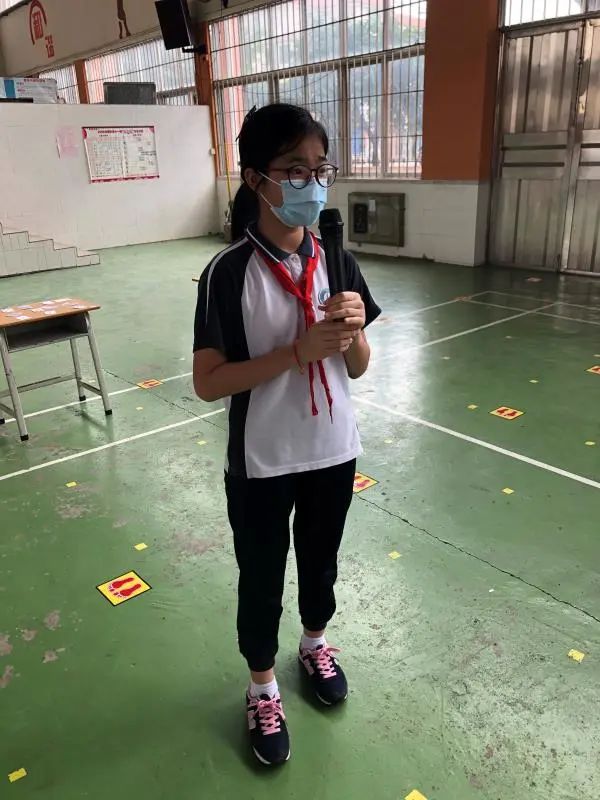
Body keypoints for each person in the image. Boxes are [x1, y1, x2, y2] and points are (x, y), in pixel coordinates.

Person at [192, 103, 380, 766]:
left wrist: (350, 331)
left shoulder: (338, 260)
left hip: (332, 450)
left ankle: (314, 644)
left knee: (321, 561)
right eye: (295, 170)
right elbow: (209, 382)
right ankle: (263, 686)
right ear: (256, 179)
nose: (312, 183)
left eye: (321, 169)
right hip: (263, 460)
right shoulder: (227, 273)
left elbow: (358, 367)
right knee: (262, 576)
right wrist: (295, 354)